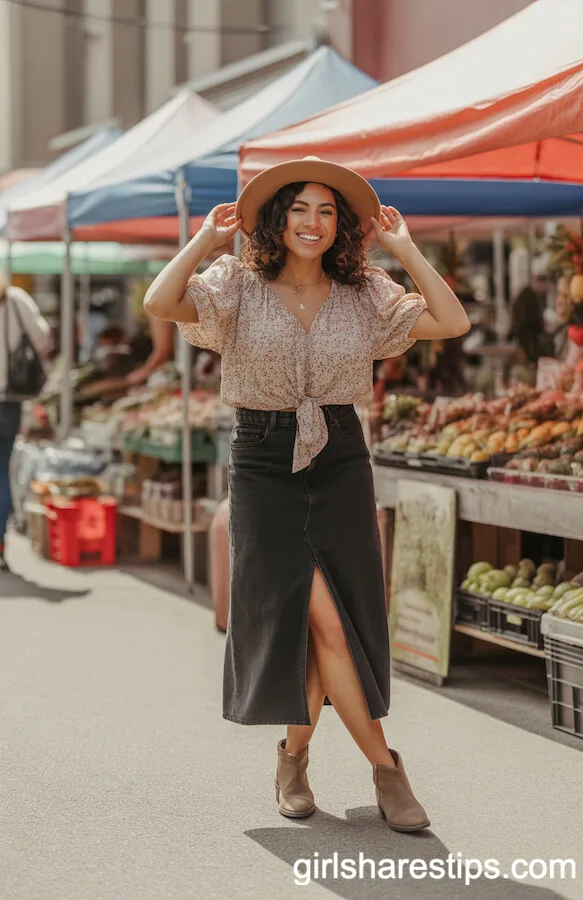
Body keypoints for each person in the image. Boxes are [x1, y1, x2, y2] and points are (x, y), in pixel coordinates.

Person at [143, 158, 470, 832]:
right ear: (278, 219)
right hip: (263, 460)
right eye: (300, 209)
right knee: (312, 616)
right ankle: (387, 769)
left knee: (333, 620)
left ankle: (294, 755)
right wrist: (205, 240)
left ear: (341, 224)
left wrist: (405, 246)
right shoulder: (237, 281)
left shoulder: (366, 291)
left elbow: (452, 320)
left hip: (342, 457)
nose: (313, 223)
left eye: (326, 211)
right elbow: (159, 303)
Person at [0, 276, 50, 572]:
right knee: (1, 472)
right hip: (8, 400)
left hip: (9, 401)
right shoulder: (15, 299)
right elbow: (42, 338)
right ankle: (0, 545)